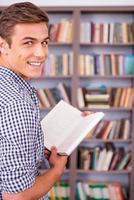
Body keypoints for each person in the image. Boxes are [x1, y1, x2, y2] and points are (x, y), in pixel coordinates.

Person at [0, 2, 68, 200]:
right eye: (28, 42)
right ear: (3, 45)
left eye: (44, 42)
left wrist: (36, 146)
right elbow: (16, 197)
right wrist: (57, 170)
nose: (41, 53)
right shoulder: (16, 103)